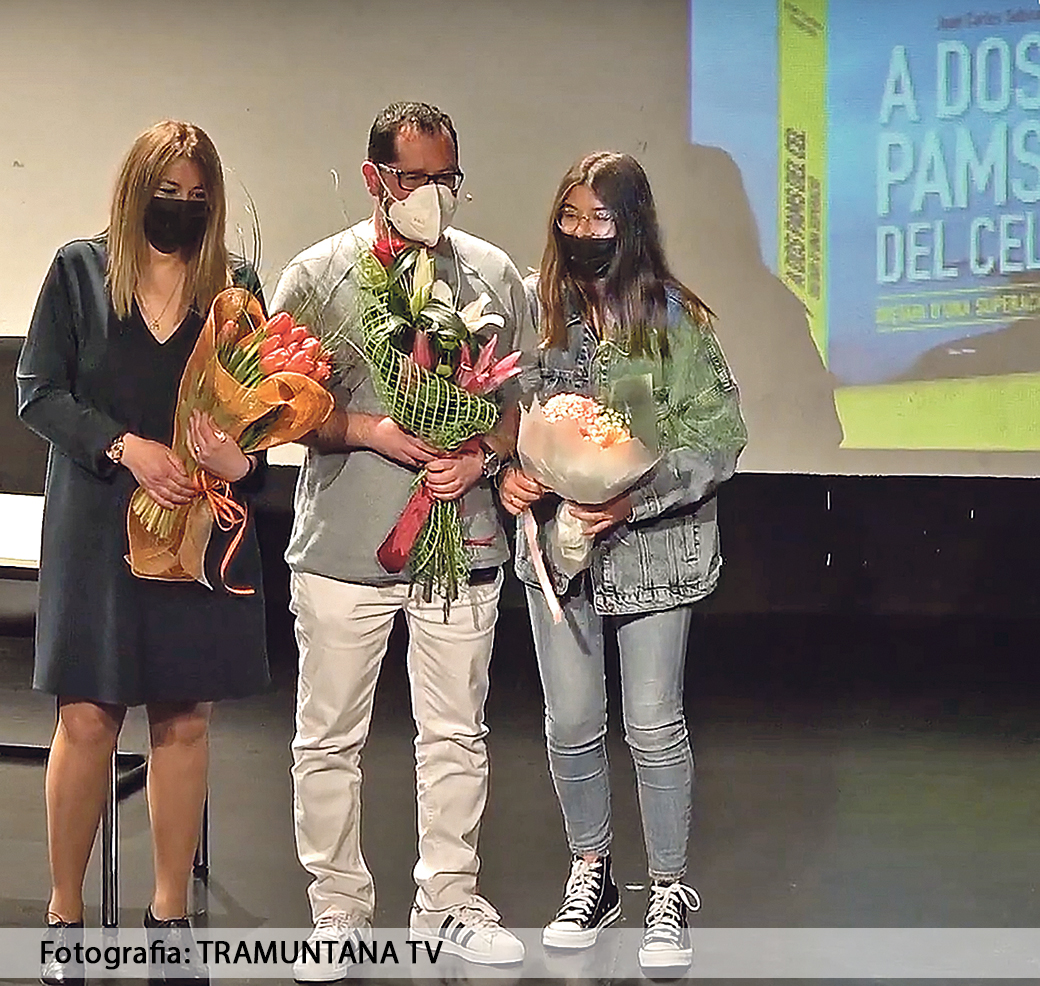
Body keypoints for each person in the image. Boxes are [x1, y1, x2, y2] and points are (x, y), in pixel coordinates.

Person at [270, 102, 532, 977]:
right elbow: (281, 411)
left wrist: (482, 456)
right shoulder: (317, 276)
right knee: (328, 740)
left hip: (462, 542)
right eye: (414, 177)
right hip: (344, 550)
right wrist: (367, 430)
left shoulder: (492, 274)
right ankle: (337, 909)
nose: (433, 194)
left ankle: (448, 902)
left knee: (456, 736)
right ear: (374, 176)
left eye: (446, 178)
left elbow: (518, 408)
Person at [18, 120, 269, 982]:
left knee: (183, 716)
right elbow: (38, 393)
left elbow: (260, 412)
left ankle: (170, 917)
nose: (183, 209)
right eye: (169, 194)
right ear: (135, 193)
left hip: (195, 527)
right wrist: (125, 447)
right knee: (88, 717)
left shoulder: (235, 288)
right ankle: (65, 916)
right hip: (96, 524)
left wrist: (239, 461)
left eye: (198, 197)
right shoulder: (78, 272)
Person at [500, 151, 747, 970]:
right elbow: (504, 417)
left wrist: (632, 498)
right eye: (569, 216)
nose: (581, 232)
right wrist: (509, 473)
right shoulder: (538, 314)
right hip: (558, 553)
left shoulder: (675, 321)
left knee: (652, 722)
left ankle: (667, 888)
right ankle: (592, 873)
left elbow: (719, 439)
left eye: (599, 218)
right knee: (571, 721)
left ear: (631, 226)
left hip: (656, 554)